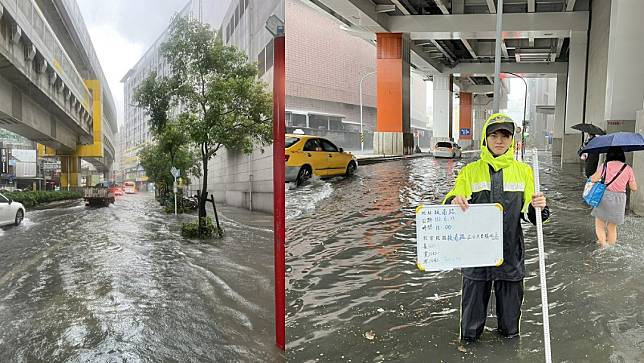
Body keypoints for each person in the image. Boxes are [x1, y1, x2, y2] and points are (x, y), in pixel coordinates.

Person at [443, 113, 550, 342]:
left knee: (510, 330)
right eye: (494, 135)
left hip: (510, 255)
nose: (499, 140)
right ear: (485, 138)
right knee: (469, 332)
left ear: (512, 140)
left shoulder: (525, 172)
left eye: (505, 135)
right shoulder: (470, 171)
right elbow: (452, 199)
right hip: (475, 257)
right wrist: (453, 201)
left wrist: (538, 206)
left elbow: (532, 216)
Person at [589, 146, 637, 247]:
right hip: (620, 199)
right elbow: (634, 188)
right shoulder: (627, 168)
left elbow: (593, 179)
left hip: (604, 196)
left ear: (609, 155)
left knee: (600, 224)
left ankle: (603, 244)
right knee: (612, 227)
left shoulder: (605, 166)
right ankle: (610, 246)